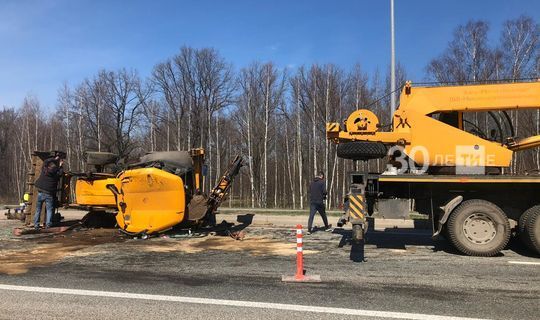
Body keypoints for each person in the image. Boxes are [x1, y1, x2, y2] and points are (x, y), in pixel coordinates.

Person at [34, 155, 64, 229]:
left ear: (48, 167)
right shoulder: (56, 174)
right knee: (49, 210)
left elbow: (45, 161)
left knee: (38, 209)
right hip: (48, 194)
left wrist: (54, 159)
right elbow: (61, 172)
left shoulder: (44, 170)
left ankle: (36, 225)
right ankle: (48, 225)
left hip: (40, 193)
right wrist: (60, 165)